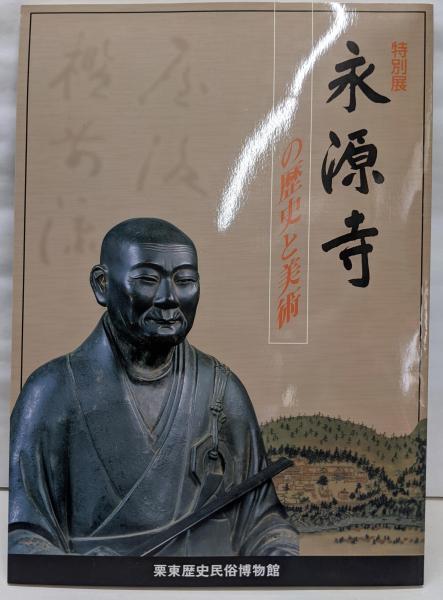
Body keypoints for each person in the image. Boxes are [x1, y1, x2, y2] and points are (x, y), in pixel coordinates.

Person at [9, 218, 299, 556]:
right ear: (102, 285)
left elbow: (263, 521)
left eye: (185, 281)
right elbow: (24, 536)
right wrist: (84, 572)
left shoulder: (220, 390)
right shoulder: (52, 393)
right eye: (147, 280)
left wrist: (277, 549)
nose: (168, 298)